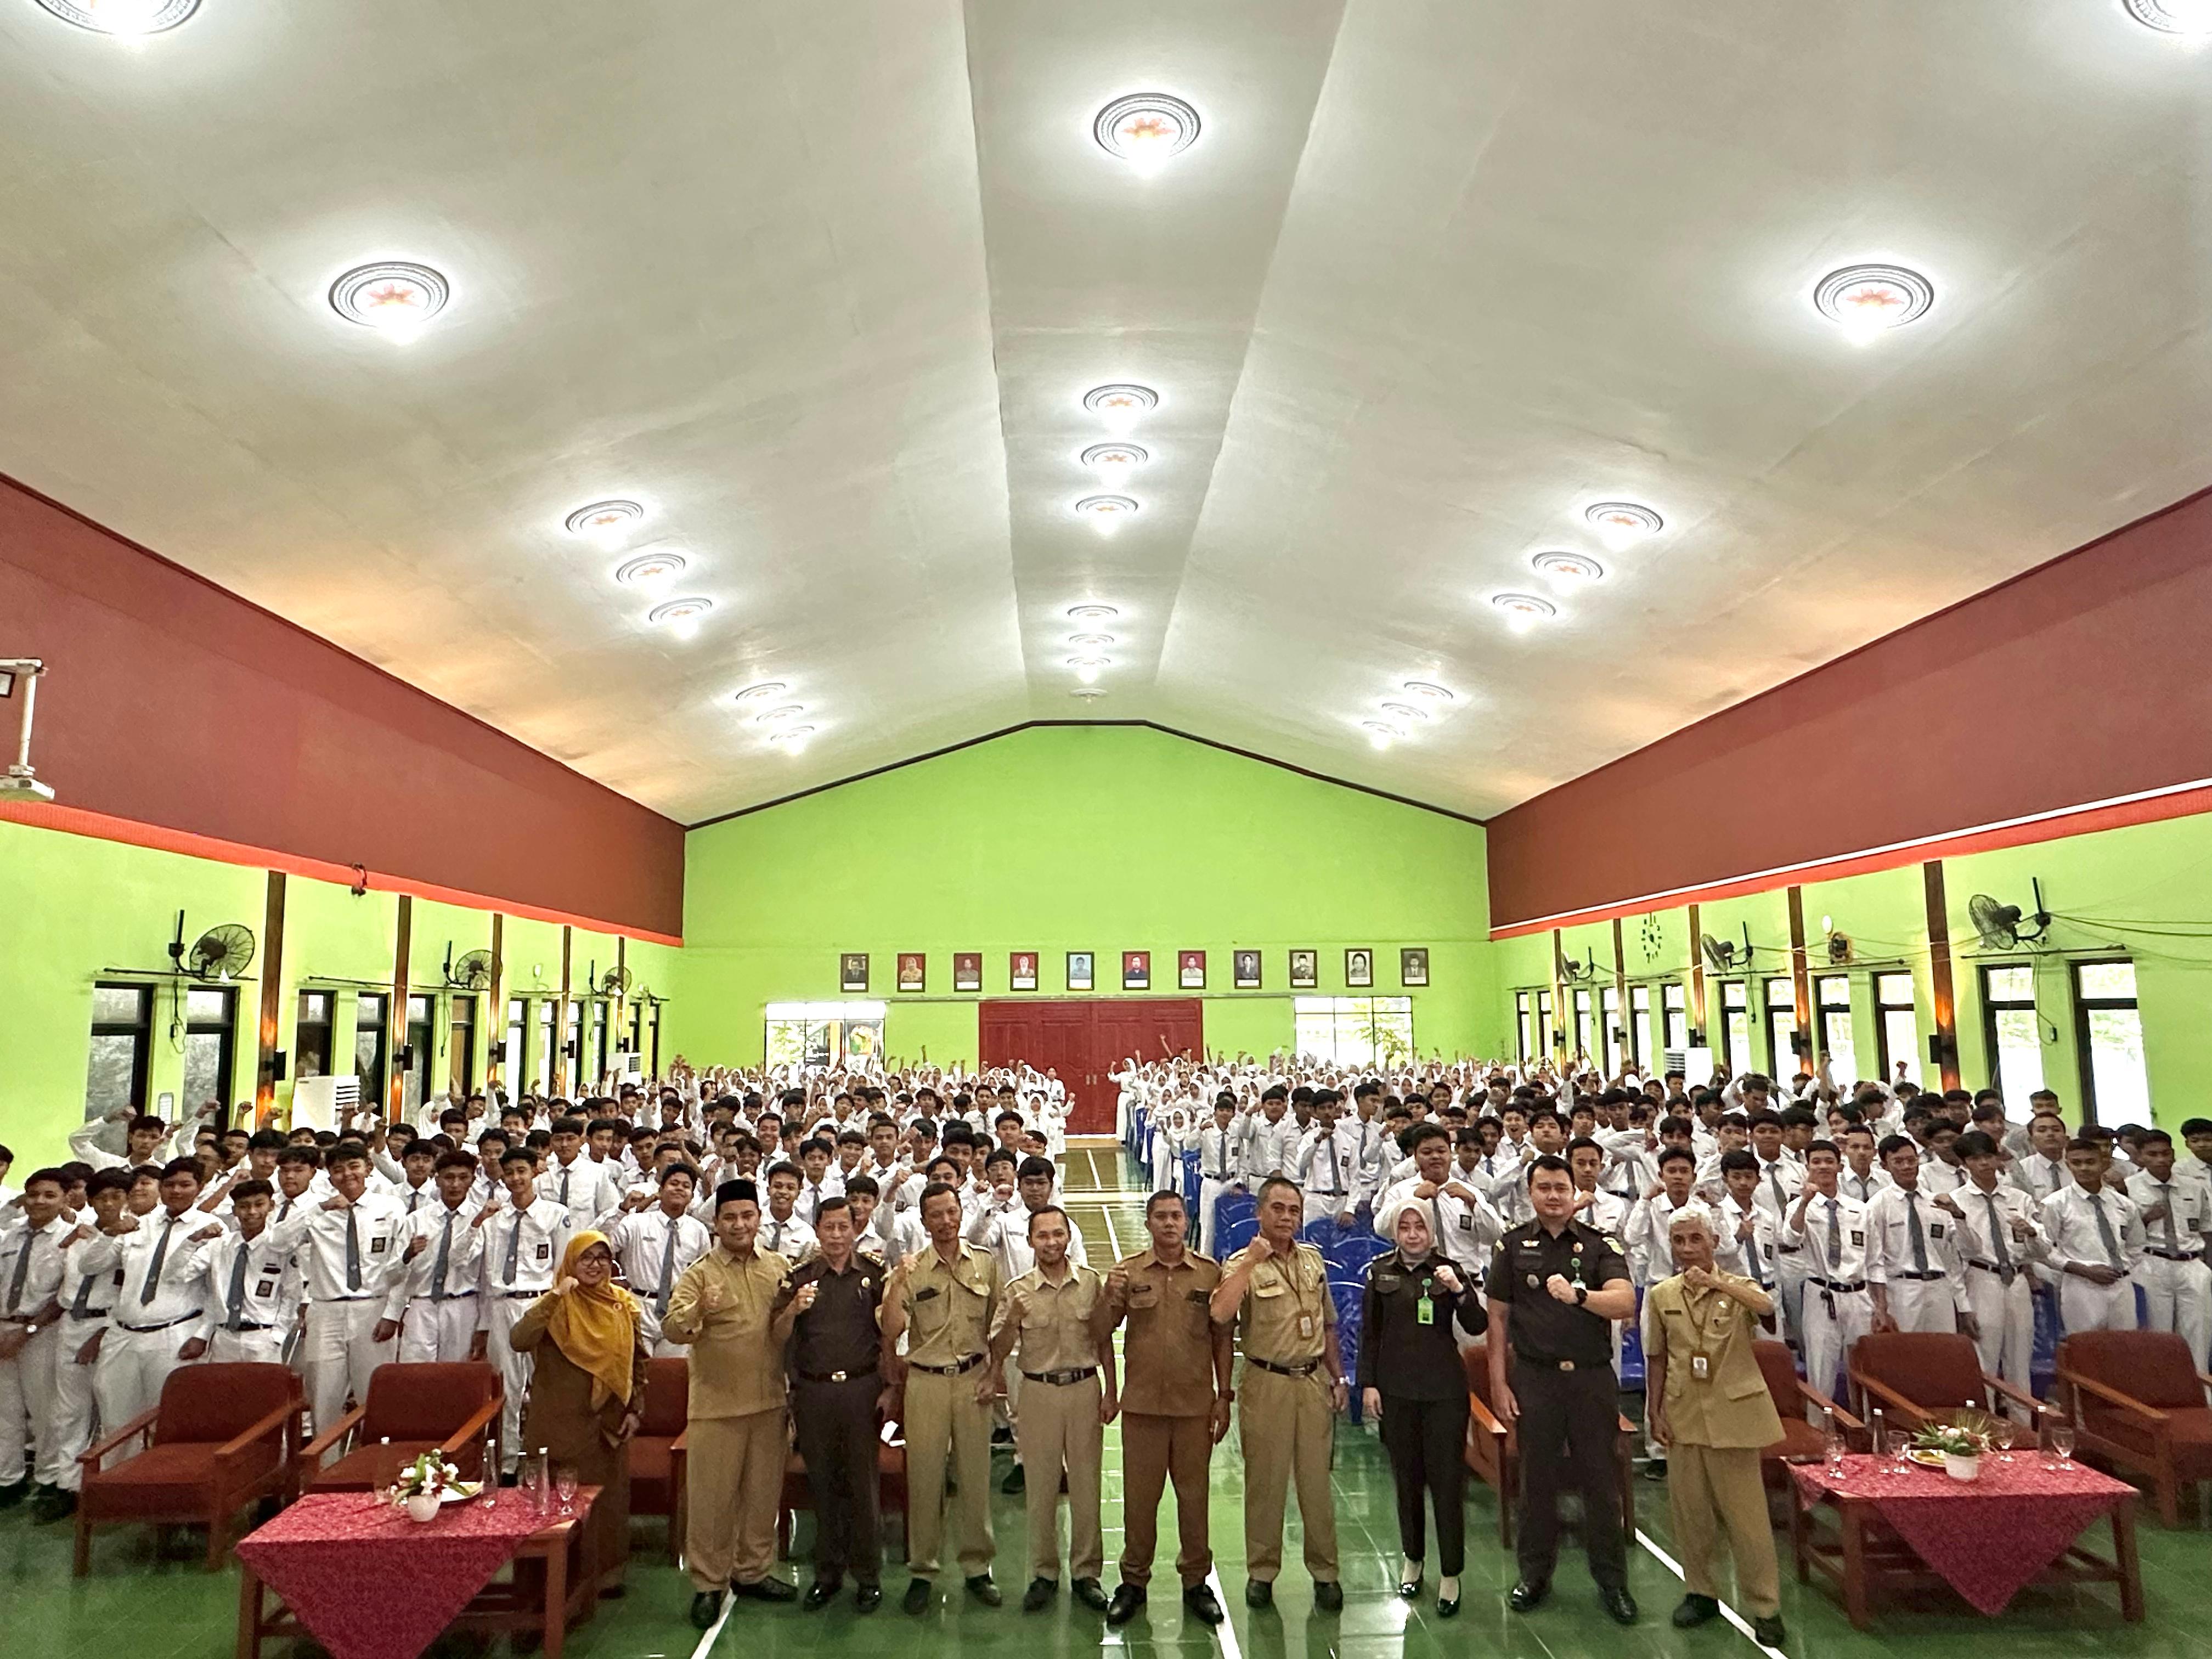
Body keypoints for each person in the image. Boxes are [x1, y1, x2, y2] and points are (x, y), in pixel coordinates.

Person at [1485, 1153, 1639, 1625]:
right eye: (1544, 1188)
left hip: (1591, 1378)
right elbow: (1497, 1318)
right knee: (1538, 1482)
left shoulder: (1600, 1244)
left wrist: (1579, 1296)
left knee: (1601, 1482)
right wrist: (1498, 1383)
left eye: (1561, 1188)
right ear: (1530, 1193)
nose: (1553, 1196)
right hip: (1536, 1379)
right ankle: (1534, 1576)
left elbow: (1624, 1302)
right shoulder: (1512, 1245)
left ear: (1575, 1193)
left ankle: (1612, 1582)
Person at [1643, 1205, 1786, 1648]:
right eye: (1679, 1241)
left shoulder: (1739, 1288)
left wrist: (1717, 1282)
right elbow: (1657, 1357)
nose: (1687, 1249)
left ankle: (1765, 1606)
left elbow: (1766, 1308)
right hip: (1684, 1412)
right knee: (1692, 1516)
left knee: (1748, 1521)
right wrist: (1654, 1411)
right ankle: (1701, 1592)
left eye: (1696, 1239)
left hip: (1734, 1416)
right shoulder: (1661, 1294)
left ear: (1714, 1243)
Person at [663, 1179, 800, 1628]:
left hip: (769, 1403)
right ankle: (708, 1583)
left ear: (759, 1218)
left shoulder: (778, 1267)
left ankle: (753, 1572)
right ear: (716, 1224)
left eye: (747, 1216)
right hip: (717, 1408)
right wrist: (699, 1308)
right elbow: (673, 1329)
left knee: (763, 1498)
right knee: (712, 1503)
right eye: (730, 1218)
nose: (739, 1225)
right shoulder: (700, 1274)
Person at [1093, 1190, 1232, 1628]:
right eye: (1161, 1217)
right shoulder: (1129, 1272)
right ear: (1149, 1223)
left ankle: (1196, 1581)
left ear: (1187, 1222)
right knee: (1139, 1502)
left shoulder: (1209, 1273)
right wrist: (1108, 1295)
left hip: (1194, 1408)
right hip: (1143, 1409)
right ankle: (1133, 1582)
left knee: (1194, 1500)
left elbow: (1222, 1339)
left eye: (1176, 1216)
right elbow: (1100, 1331)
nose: (1170, 1224)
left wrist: (1224, 1396)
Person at [1211, 1177, 1346, 1611]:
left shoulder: (1313, 1260)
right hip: (1266, 1381)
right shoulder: (1242, 1263)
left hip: (1312, 1381)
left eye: (1294, 1210)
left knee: (1316, 1485)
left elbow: (1328, 1324)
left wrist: (1339, 1377)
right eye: (1278, 1209)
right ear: (1260, 1212)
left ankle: (1325, 1572)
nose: (1287, 1217)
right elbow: (1220, 1314)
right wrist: (1251, 1262)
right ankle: (1262, 1571)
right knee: (1265, 1483)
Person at [983, 1204, 1115, 1614]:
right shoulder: (1017, 1290)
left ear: (1069, 1237)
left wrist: (1112, 1390)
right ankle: (1044, 1573)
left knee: (1086, 1486)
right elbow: (998, 1350)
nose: (1052, 1242)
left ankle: (1086, 1573)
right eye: (1043, 1235)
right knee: (1040, 1487)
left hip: (1084, 1388)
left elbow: (1103, 1339)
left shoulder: (1090, 1283)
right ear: (1031, 1242)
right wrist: (1011, 1321)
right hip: (1038, 1392)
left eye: (1058, 1234)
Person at [882, 1180, 1002, 1613]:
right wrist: (898, 1281)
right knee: (925, 1478)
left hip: (973, 1380)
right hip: (926, 1382)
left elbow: (998, 1325)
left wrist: (995, 1374)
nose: (947, 1221)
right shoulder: (912, 1270)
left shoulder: (985, 1263)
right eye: (937, 1215)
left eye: (952, 1212)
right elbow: (891, 1328)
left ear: (960, 1213)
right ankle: (922, 1569)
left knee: (975, 1477)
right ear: (924, 1221)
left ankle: (977, 1567)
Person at [1359, 1205, 1485, 1617]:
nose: (1413, 1234)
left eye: (1420, 1227)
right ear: (1395, 1232)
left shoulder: (1450, 1270)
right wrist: (1369, 1385)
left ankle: (1451, 1572)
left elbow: (1477, 1324)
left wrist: (1460, 1290)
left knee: (1448, 1484)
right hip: (1397, 1393)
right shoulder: (1380, 1273)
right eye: (1405, 1227)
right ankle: (1413, 1559)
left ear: (1431, 1232)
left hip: (1444, 1393)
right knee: (1407, 1481)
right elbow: (1370, 1334)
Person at [509, 1232, 649, 1595]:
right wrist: (556, 1296)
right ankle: (552, 1582)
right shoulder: (555, 1305)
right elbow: (519, 1339)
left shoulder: (621, 1304)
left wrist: (635, 1408)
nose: (595, 1265)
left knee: (606, 1504)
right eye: (586, 1257)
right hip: (559, 1424)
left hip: (606, 1424)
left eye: (602, 1258)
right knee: (553, 1505)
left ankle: (603, 1577)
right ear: (571, 1262)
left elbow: (638, 1360)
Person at [780, 1196, 890, 1612]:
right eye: (829, 1227)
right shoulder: (801, 1279)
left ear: (856, 1229)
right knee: (823, 1485)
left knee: (863, 1486)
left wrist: (891, 1387)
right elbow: (783, 1339)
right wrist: (794, 1309)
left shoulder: (874, 1276)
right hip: (815, 1394)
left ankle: (868, 1577)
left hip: (862, 1391)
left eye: (845, 1227)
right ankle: (827, 1575)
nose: (837, 1236)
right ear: (817, 1230)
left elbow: (888, 1335)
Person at [1936, 1131, 2047, 1413]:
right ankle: (1985, 1426)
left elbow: (2043, 1251)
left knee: (2020, 1361)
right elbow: (1960, 1256)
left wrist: (2032, 1233)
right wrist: (1963, 1306)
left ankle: (2023, 1427)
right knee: (1983, 1360)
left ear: (1998, 1158)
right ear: (1965, 1164)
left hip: (2017, 1279)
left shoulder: (2018, 1198)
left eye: (1988, 1157)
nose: (1984, 1164)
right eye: (1975, 1159)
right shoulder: (1956, 1201)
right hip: (1981, 1278)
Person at [0, 1169, 71, 1513]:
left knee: (45, 1411)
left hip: (41, 1332)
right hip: (3, 1329)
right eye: (33, 1194)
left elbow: (64, 1295)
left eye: (49, 1195)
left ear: (65, 1200)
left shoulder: (70, 1239)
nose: (39, 1201)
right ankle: (8, 1479)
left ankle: (48, 1479)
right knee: (5, 1412)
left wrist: (28, 1331)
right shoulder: (9, 1236)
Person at [606, 1164, 713, 1356]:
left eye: (686, 1186)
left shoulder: (699, 1231)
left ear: (691, 1196)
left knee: (671, 1372)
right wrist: (621, 1210)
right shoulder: (635, 1223)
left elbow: (704, 1273)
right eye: (674, 1183)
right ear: (661, 1190)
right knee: (637, 1371)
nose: (679, 1189)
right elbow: (602, 1246)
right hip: (638, 1307)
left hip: (678, 1310)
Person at [393, 1150, 485, 1362]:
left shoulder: (482, 1219)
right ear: (437, 1179)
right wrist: (408, 1255)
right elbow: (393, 1272)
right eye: (449, 1177)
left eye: (463, 1178)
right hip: (422, 1304)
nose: (455, 1185)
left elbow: (486, 1273)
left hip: (462, 1303)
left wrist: (485, 1323)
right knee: (415, 1371)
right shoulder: (417, 1219)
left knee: (456, 1372)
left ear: (472, 1180)